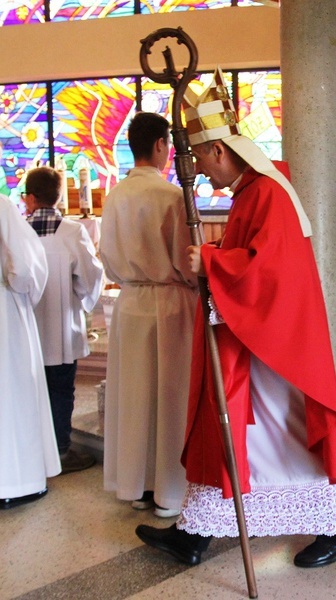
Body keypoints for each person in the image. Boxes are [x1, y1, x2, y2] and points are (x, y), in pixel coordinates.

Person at [136, 67, 336, 568]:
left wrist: (212, 261)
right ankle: (197, 530)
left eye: (198, 156)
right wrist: (219, 255)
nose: (197, 167)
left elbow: (270, 268)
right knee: (238, 428)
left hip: (274, 345)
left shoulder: (266, 192)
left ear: (219, 150)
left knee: (274, 430)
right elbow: (254, 255)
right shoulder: (253, 192)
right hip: (259, 338)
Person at [100, 112, 198, 517]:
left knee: (134, 397)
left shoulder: (116, 195)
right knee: (169, 397)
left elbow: (107, 260)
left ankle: (135, 486)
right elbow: (185, 261)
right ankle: (169, 493)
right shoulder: (171, 196)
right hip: (168, 304)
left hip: (130, 303)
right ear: (162, 145)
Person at [24, 166, 103, 474]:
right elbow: (90, 275)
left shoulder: (17, 230)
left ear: (30, 198)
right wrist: (81, 299)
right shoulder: (71, 231)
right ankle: (60, 451)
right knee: (60, 389)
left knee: (31, 389)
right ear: (58, 198)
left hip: (27, 329)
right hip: (61, 327)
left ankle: (32, 451)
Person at [0, 194, 61, 508]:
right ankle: (17, 480)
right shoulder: (2, 206)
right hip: (4, 316)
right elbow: (25, 267)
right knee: (13, 395)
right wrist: (24, 296)